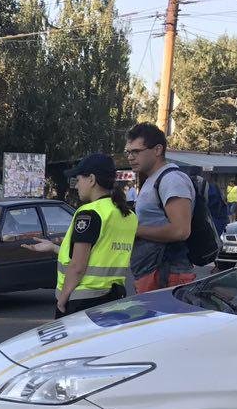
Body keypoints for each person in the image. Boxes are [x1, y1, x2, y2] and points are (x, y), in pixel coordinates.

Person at [25, 153, 138, 317]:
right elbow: (100, 253)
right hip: (114, 296)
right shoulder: (127, 215)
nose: (76, 186)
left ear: (91, 179)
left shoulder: (89, 213)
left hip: (82, 299)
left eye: (78, 180)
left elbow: (78, 266)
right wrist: (54, 248)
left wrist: (62, 299)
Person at [124, 122, 195, 294]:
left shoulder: (171, 180)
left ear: (157, 150)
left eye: (136, 151)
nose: (130, 157)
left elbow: (181, 231)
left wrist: (135, 230)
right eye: (128, 152)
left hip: (168, 273)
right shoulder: (152, 179)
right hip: (154, 272)